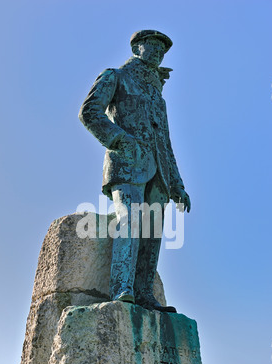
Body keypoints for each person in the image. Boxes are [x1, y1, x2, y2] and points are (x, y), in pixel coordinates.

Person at [79, 30, 190, 312]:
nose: (156, 53)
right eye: (151, 46)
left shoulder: (157, 96)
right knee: (129, 220)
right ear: (136, 47)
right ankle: (122, 288)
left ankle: (144, 294)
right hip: (126, 164)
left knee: (152, 234)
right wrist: (119, 140)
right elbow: (90, 112)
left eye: (161, 51)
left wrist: (177, 184)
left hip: (159, 174)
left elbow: (165, 142)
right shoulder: (115, 76)